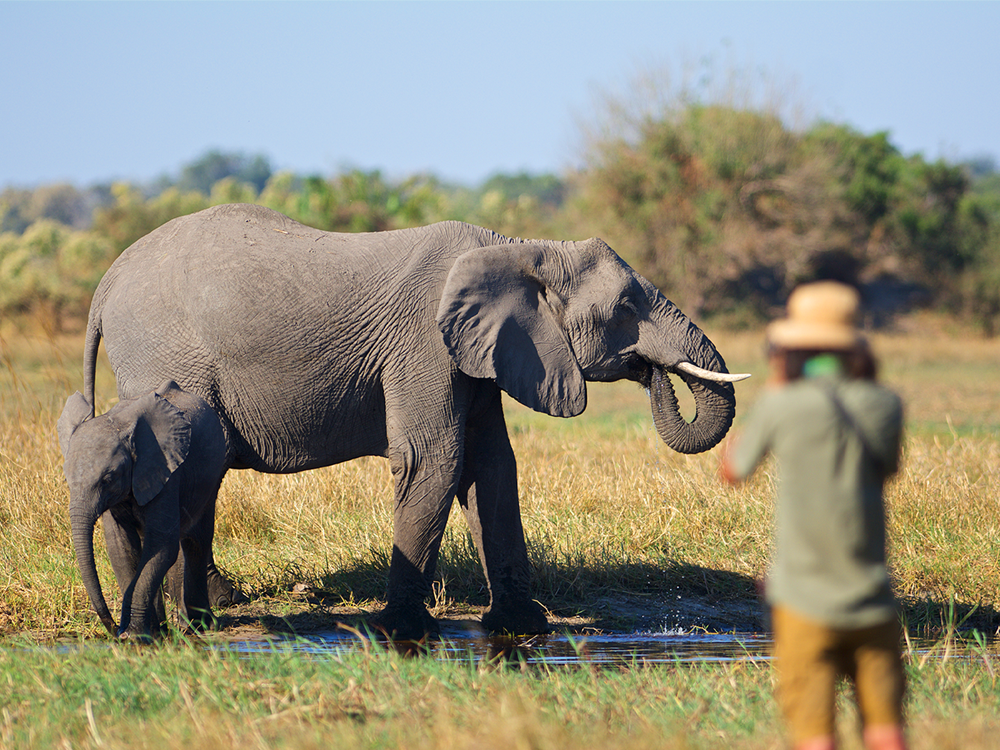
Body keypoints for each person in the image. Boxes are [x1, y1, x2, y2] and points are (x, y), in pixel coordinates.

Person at [720, 281, 908, 750]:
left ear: (790, 347)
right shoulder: (886, 405)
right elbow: (887, 467)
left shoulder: (782, 404)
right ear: (855, 347)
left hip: (802, 602)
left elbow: (733, 470)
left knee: (815, 736)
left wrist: (778, 386)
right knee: (886, 730)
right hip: (872, 599)